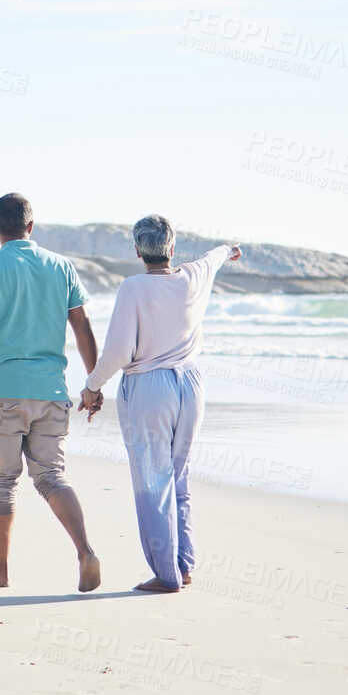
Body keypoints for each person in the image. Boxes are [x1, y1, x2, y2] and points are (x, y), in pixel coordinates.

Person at [0, 193, 104, 593]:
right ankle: (85, 550)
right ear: (31, 228)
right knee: (52, 477)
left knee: (1, 482)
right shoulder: (61, 266)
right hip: (52, 392)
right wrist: (94, 383)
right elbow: (83, 328)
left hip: (4, 393)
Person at [81, 214, 240, 593]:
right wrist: (230, 250)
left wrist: (91, 387)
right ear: (172, 248)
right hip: (191, 384)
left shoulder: (133, 287)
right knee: (178, 477)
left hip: (149, 387)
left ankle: (166, 575)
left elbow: (119, 351)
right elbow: (215, 256)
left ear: (138, 251)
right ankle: (183, 566)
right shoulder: (194, 274)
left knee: (153, 483)